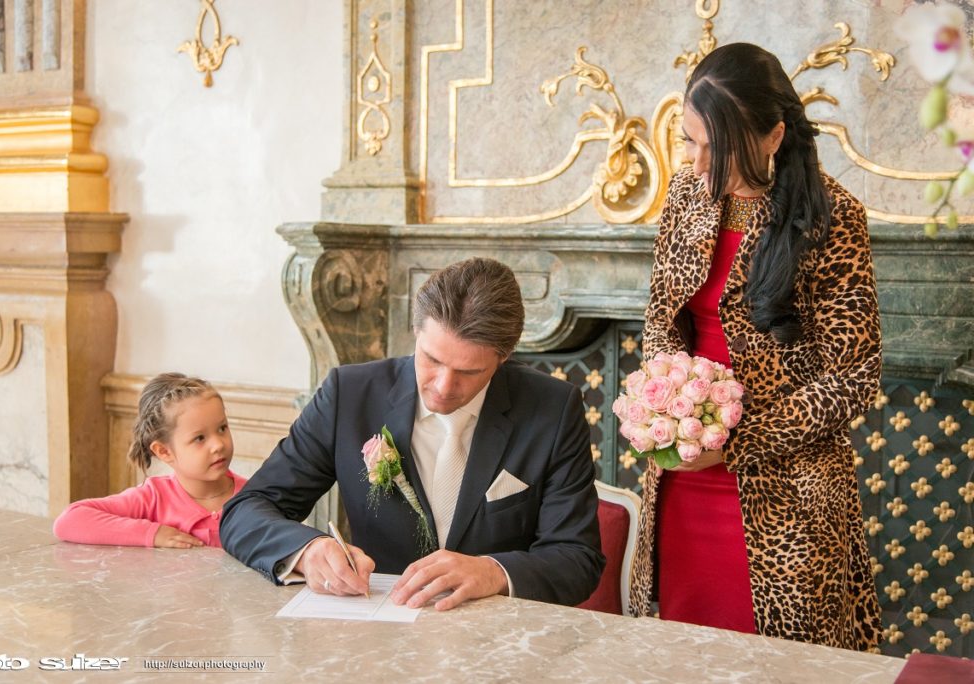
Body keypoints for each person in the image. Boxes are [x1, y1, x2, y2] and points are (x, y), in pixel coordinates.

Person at [629, 43, 881, 651]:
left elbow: (856, 373)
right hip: (682, 478)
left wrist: (737, 443)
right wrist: (666, 417)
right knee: (680, 654)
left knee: (779, 663)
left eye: (717, 148)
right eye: (690, 142)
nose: (697, 164)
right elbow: (662, 320)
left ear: (772, 136)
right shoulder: (686, 197)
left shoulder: (831, 214)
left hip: (788, 494)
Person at [221, 257, 604, 610]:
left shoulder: (552, 408)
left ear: (503, 357)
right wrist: (306, 550)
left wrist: (492, 572)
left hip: (496, 636)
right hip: (377, 625)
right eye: (431, 359)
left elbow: (577, 558)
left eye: (469, 372)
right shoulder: (349, 395)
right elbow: (246, 510)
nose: (442, 385)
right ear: (416, 332)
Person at [54, 373, 246, 548]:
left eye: (222, 428)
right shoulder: (153, 498)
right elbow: (69, 520)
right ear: (164, 451)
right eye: (200, 438)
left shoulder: (255, 494)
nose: (218, 445)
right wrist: (152, 533)